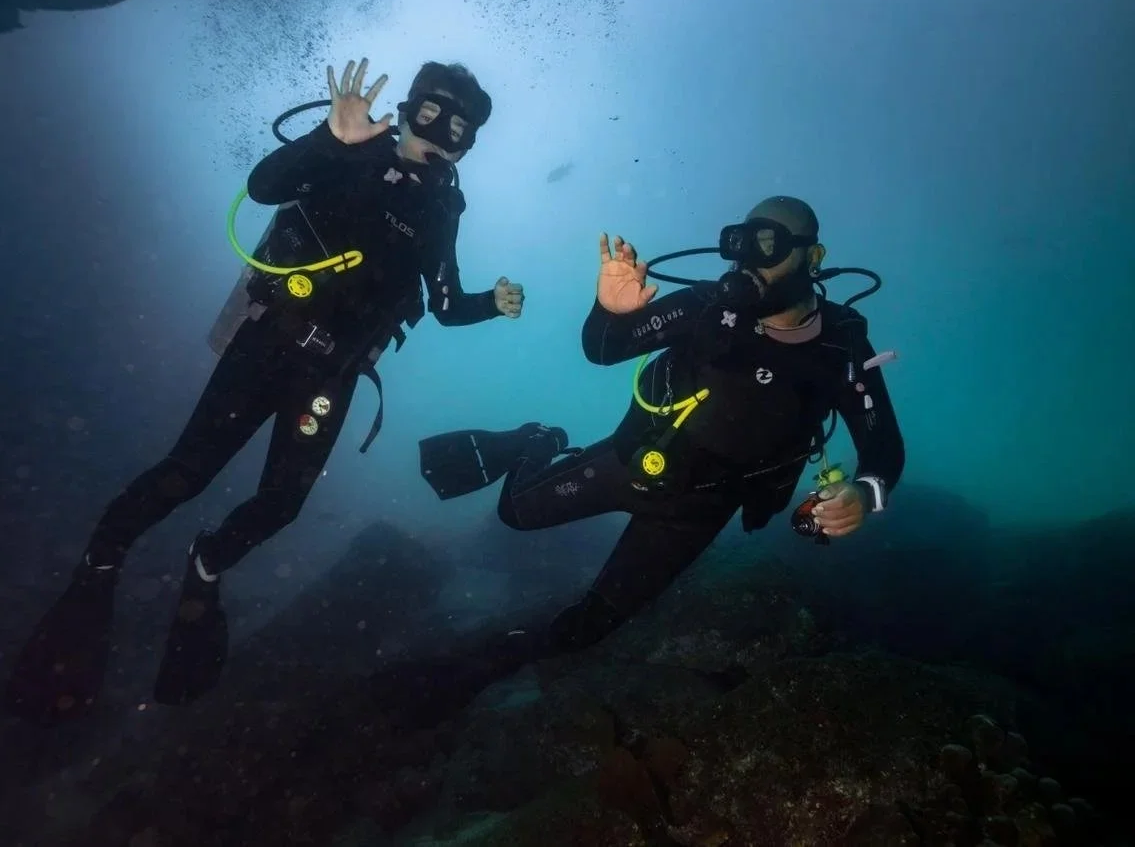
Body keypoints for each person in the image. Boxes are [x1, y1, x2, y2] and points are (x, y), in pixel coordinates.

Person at [4, 57, 525, 725]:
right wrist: (329, 140)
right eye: (430, 114)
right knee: (187, 471)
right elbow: (263, 186)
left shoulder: (442, 208)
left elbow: (446, 303)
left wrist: (491, 304)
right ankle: (98, 568)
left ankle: (208, 562)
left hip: (331, 376)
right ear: (406, 110)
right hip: (267, 343)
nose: (440, 135)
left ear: (466, 146)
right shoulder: (352, 151)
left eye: (457, 131)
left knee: (282, 504)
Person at [384, 195, 905, 729]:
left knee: (589, 628)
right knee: (513, 513)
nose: (749, 262)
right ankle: (535, 442)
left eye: (767, 245)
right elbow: (603, 349)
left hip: (698, 512)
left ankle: (485, 677)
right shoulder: (707, 306)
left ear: (812, 255)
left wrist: (864, 494)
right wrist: (609, 309)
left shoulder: (841, 344)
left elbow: (883, 447)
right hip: (633, 464)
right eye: (740, 245)